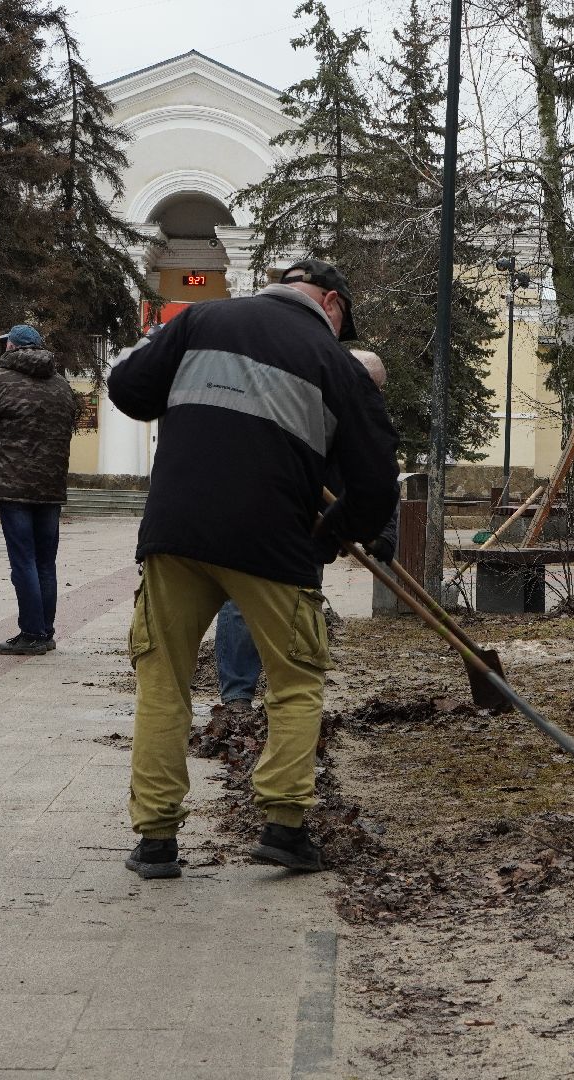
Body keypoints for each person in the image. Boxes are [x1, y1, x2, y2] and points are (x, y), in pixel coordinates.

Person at [108, 258, 399, 877]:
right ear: (332, 303)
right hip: (273, 544)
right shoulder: (336, 364)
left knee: (164, 681)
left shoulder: (199, 318)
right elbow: (376, 485)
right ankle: (284, 828)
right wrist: (330, 535)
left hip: (176, 531)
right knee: (295, 684)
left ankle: (156, 839)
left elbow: (128, 390)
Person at [203, 348, 397, 742]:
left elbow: (378, 476)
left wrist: (383, 531)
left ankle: (288, 694)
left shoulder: (361, 419)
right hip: (259, 521)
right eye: (370, 387)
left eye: (378, 390)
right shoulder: (294, 404)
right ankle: (237, 697)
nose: (374, 397)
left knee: (301, 606)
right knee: (241, 604)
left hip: (316, 533)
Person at [0, 324, 83, 656]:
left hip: (13, 484)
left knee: (24, 560)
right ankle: (44, 631)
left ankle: (31, 633)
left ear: (11, 347)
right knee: (46, 561)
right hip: (51, 486)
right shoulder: (61, 385)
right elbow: (70, 422)